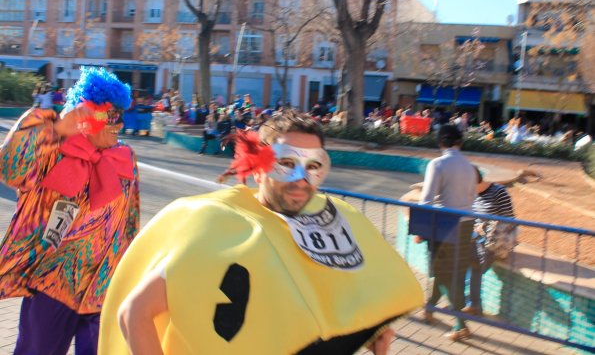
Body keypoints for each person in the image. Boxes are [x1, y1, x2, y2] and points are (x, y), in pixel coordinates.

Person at [99, 111, 424, 355]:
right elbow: (135, 313)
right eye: (286, 163)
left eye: (313, 166)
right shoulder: (221, 226)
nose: (301, 179)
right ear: (258, 165)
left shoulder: (324, 223)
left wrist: (369, 333)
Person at [0, 66, 140, 355]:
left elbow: (130, 221)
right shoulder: (53, 150)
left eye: (122, 116)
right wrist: (57, 128)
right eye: (111, 116)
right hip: (53, 283)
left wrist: (130, 271)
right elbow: (10, 168)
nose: (119, 125)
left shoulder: (124, 158)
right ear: (88, 114)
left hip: (104, 286)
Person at [418, 124, 476, 341]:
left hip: (444, 225)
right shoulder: (470, 167)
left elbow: (426, 200)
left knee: (441, 272)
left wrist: (422, 229)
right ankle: (430, 307)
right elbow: (471, 198)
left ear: (441, 142)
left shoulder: (438, 164)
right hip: (466, 224)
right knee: (456, 273)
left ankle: (460, 324)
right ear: (460, 142)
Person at [465, 166, 515, 316]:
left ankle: (472, 305)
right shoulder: (471, 194)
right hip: (476, 238)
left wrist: (486, 226)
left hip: (494, 240)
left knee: (475, 268)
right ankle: (469, 304)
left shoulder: (499, 192)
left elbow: (510, 220)